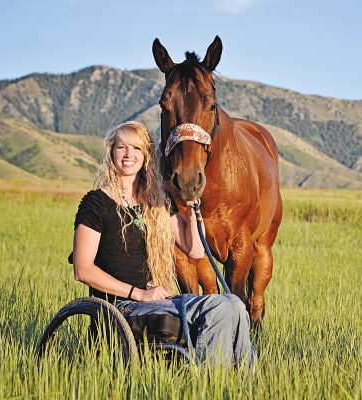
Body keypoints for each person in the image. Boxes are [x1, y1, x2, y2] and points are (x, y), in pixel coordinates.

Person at [71, 121, 254, 368]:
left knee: (233, 303)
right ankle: (211, 382)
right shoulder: (96, 203)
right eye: (121, 147)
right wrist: (140, 294)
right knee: (219, 308)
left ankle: (242, 381)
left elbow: (196, 250)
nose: (128, 155)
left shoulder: (156, 203)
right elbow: (82, 269)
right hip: (121, 307)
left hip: (157, 301)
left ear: (146, 157)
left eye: (136, 149)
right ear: (111, 152)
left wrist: (192, 215)